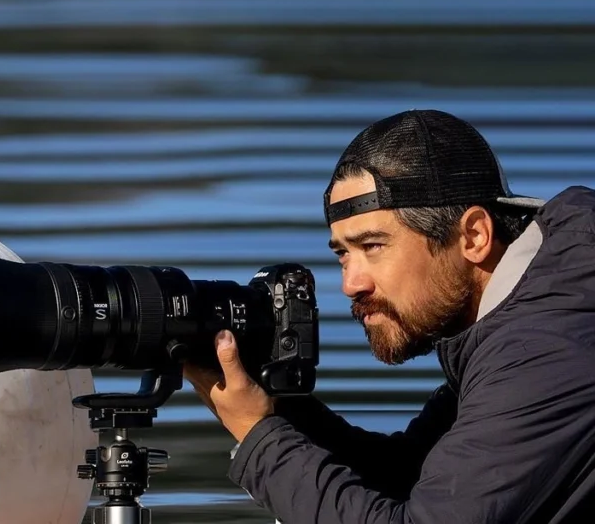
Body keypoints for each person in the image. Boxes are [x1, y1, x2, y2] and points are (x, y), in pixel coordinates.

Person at [184, 108, 595, 523]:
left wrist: (260, 438)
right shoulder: (532, 316)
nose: (350, 284)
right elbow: (407, 477)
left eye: (373, 246)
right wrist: (273, 408)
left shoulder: (546, 350)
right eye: (343, 254)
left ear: (473, 236)